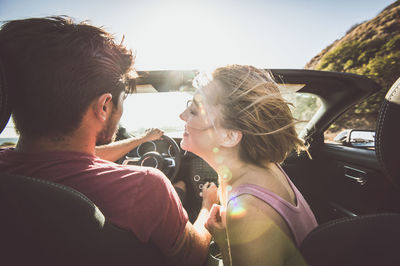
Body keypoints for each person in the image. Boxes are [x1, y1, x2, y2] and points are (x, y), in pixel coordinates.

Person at [0, 16, 218, 265]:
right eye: (122, 101)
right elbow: (195, 256)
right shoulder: (146, 187)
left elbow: (82, 160)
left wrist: (141, 140)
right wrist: (206, 207)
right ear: (104, 105)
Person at [179, 65, 318, 265]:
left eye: (193, 110)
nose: (182, 116)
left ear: (229, 136)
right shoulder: (261, 167)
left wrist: (222, 240)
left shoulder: (248, 212)